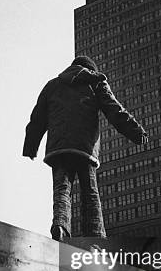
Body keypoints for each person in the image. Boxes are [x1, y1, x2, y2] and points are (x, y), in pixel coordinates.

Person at [23, 55, 147, 240]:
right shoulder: (95, 82)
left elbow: (37, 118)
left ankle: (60, 227)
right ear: (90, 69)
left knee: (62, 189)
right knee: (90, 192)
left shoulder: (52, 85)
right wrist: (136, 132)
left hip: (59, 148)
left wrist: (31, 147)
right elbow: (115, 110)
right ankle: (95, 235)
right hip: (84, 147)